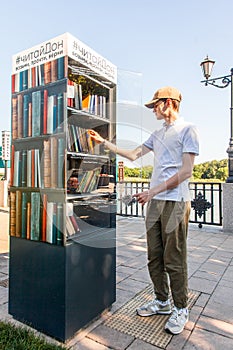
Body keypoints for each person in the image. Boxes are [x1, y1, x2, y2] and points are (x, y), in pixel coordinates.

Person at [88, 86, 199, 335]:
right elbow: (134, 154)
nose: (152, 110)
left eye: (155, 105)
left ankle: (181, 308)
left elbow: (186, 171)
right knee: (154, 256)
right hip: (155, 202)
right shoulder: (158, 134)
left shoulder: (188, 129)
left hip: (176, 202)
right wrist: (104, 142)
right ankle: (162, 302)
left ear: (169, 103)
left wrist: (153, 191)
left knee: (174, 259)